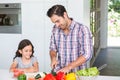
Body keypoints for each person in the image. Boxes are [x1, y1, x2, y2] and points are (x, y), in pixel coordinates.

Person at [47, 4, 93, 73]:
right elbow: (52, 49)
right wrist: (53, 58)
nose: (56, 25)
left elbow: (86, 54)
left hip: (77, 74)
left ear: (65, 15)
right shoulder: (55, 29)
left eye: (57, 21)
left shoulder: (82, 29)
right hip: (59, 73)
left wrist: (69, 67)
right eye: (54, 23)